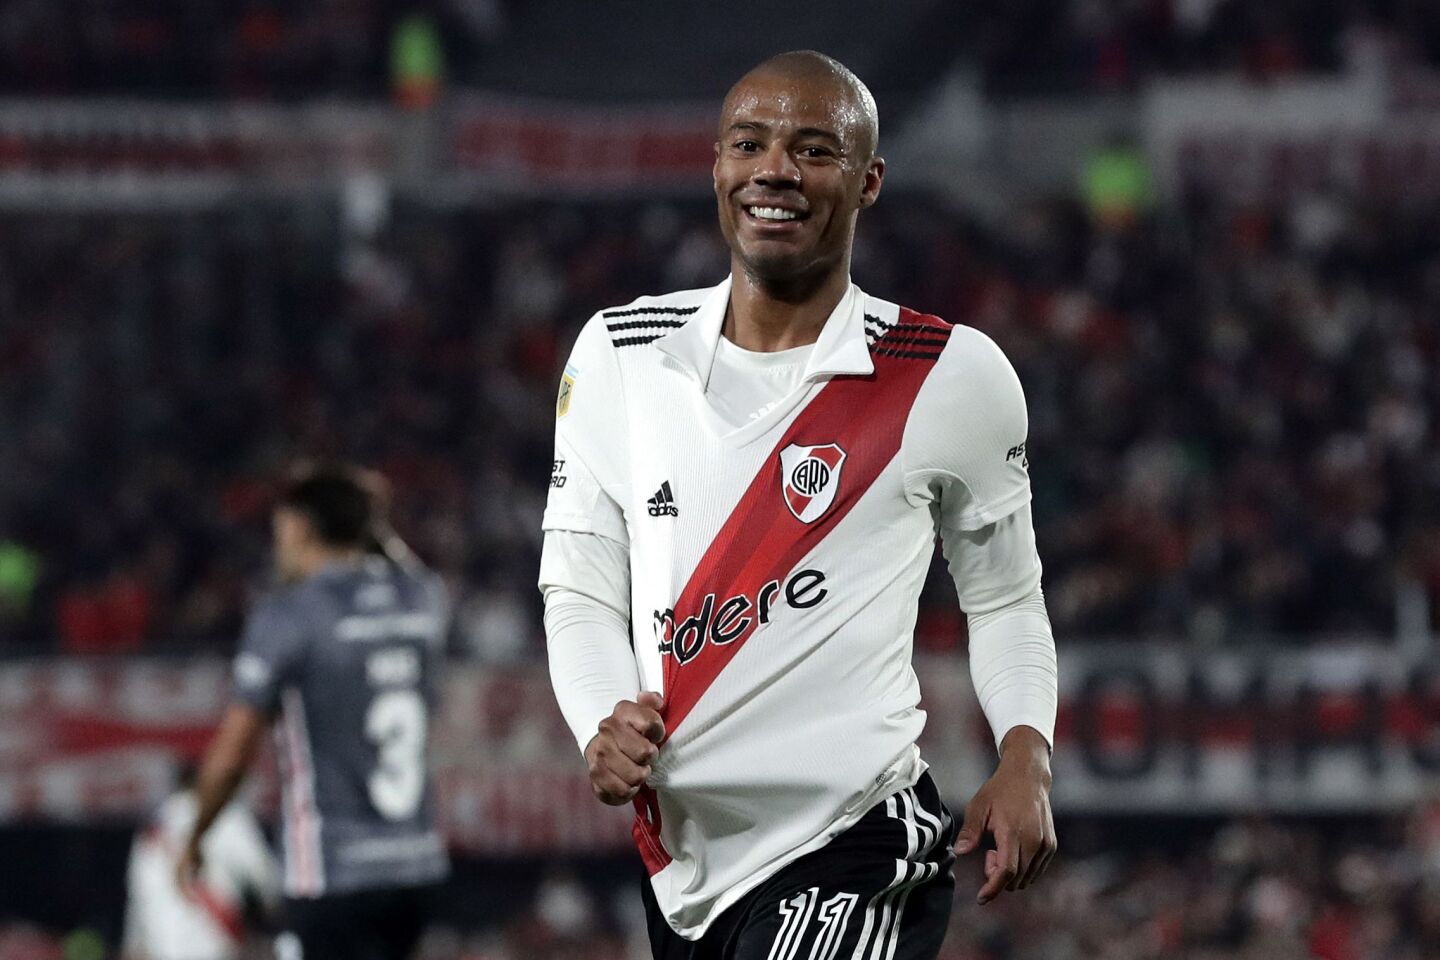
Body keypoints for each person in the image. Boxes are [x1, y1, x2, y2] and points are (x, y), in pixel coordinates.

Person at [539, 50, 1060, 959]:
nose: (775, 169)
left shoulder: (947, 374)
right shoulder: (621, 353)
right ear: (717, 166)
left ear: (869, 183)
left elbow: (1005, 597)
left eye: (815, 150)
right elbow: (579, 586)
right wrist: (600, 720)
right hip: (686, 868)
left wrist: (1027, 756)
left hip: (853, 841)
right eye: (751, 143)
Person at [179, 465, 450, 960]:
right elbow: (419, 576)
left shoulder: (290, 615)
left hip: (331, 872)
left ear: (300, 526)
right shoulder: (420, 601)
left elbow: (235, 752)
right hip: (415, 869)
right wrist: (377, 524)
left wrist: (195, 835)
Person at [122, 766, 280, 960]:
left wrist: (133, 945)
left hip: (162, 948)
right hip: (214, 944)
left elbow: (137, 902)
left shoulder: (152, 829)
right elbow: (262, 875)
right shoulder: (226, 815)